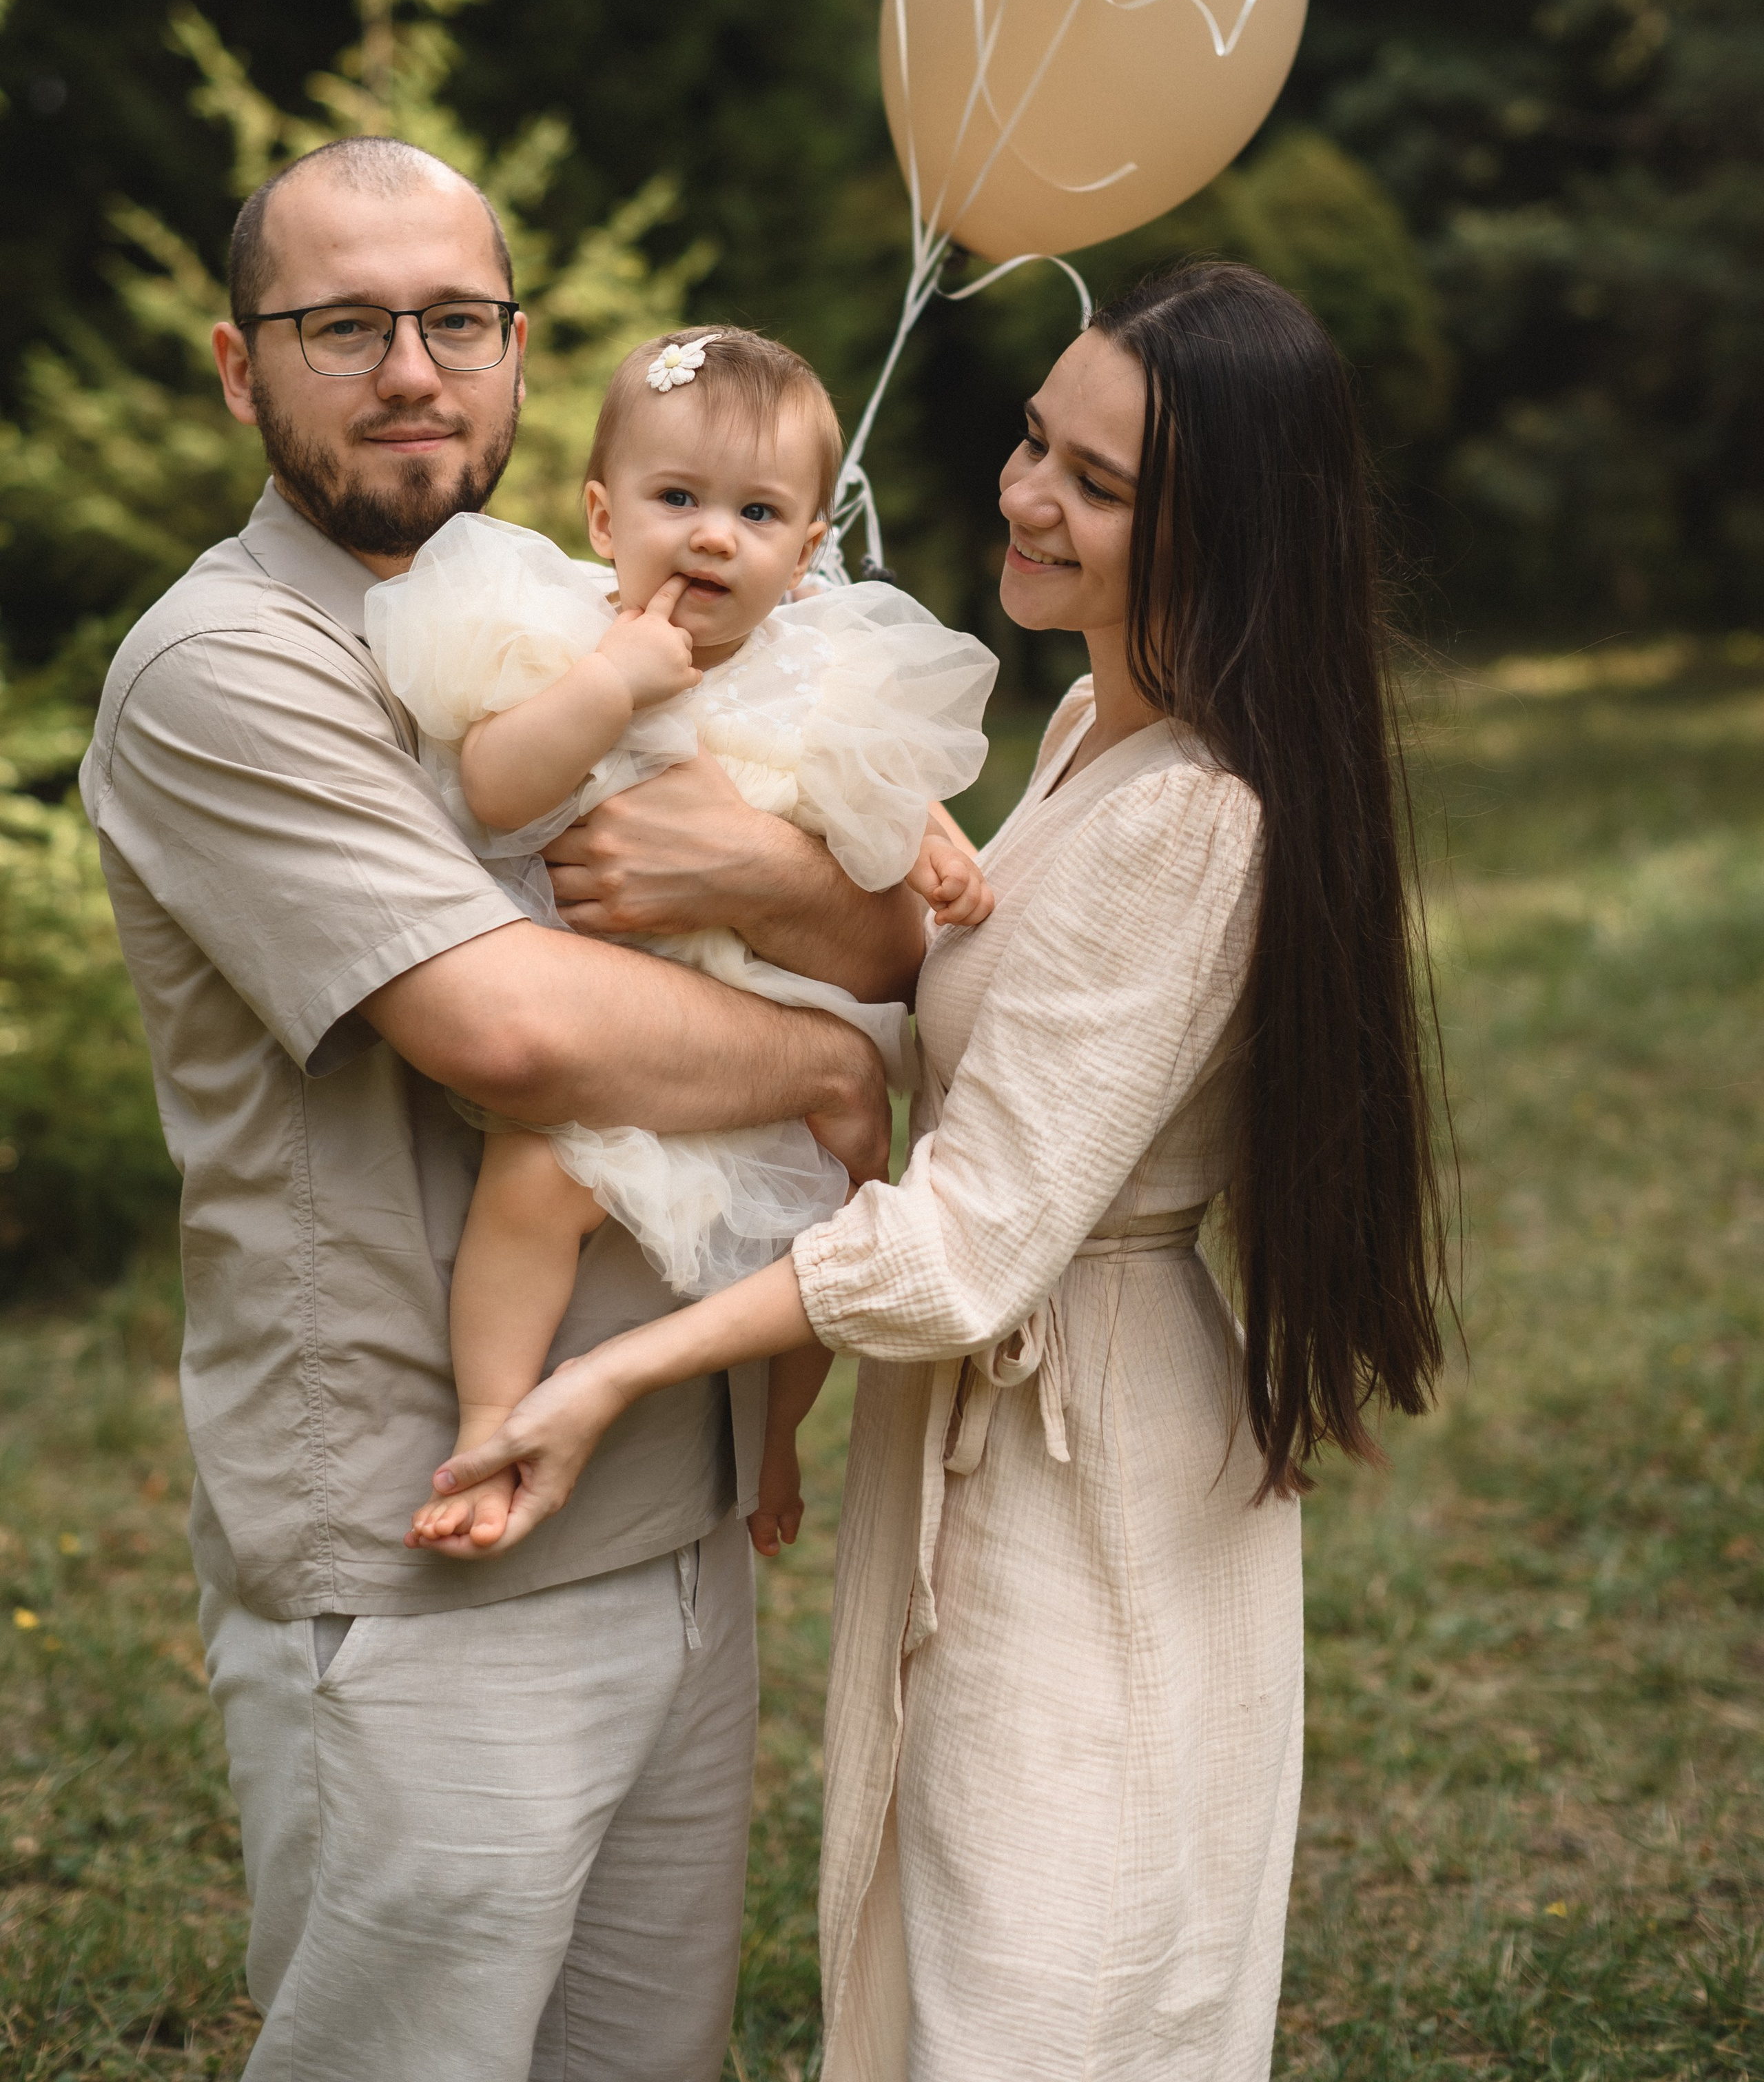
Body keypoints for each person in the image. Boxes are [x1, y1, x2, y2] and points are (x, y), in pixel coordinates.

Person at [433, 260, 1451, 2081]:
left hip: (1083, 1448)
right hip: (986, 1421)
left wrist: (613, 1377)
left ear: (1217, 529)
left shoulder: (1198, 816)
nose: (1025, 497)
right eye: (1030, 444)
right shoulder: (1079, 734)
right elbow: (958, 987)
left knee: (1041, 1974)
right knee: (946, 1941)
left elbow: (969, 1243)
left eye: (1098, 483)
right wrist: (760, 884)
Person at [79, 134, 906, 2082]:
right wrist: (817, 1066)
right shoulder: (228, 667)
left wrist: (781, 902)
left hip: (677, 1511)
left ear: (522, 353)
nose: (410, 368)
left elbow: (882, 920)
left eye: (455, 319)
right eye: (341, 324)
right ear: (235, 367)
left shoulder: (580, 612)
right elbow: (520, 1036)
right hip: (425, 1556)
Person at [362, 323, 994, 1555]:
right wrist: (612, 681)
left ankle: (775, 1450)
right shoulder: (556, 640)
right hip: (627, 1027)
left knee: (830, 1250)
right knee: (534, 1182)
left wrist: (937, 838)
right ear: (604, 517)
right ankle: (493, 1425)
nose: (713, 534)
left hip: (775, 1025)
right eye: (678, 498)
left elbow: (881, 779)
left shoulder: (822, 671)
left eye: (759, 513)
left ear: (809, 555)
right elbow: (493, 785)